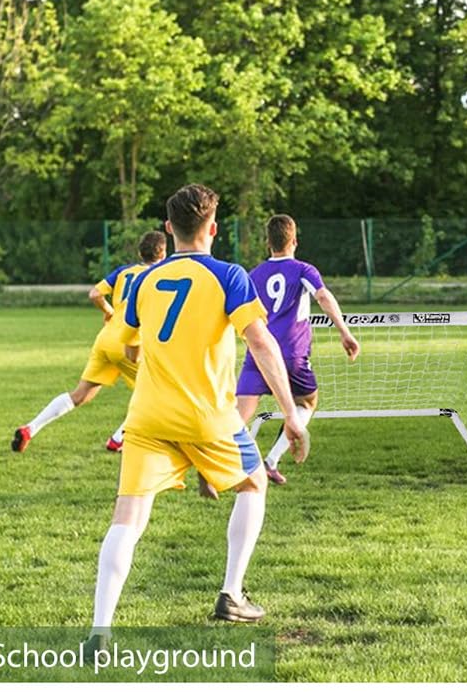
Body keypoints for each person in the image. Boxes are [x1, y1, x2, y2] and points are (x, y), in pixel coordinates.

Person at [89, 184, 309, 631]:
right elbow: (261, 342)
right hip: (208, 416)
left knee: (127, 518)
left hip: (147, 417)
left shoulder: (146, 279)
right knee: (254, 484)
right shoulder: (228, 275)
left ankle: (100, 628)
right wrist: (290, 413)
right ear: (213, 228)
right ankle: (231, 593)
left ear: (169, 230)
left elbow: (127, 345)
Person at [11, 230, 167, 455]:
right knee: (157, 393)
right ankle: (117, 439)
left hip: (106, 338)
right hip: (130, 341)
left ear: (140, 252)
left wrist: (109, 311)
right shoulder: (159, 276)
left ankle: (30, 428)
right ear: (162, 252)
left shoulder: (124, 271)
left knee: (80, 395)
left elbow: (95, 294)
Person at [234, 216, 359, 486]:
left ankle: (217, 466)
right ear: (294, 241)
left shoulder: (253, 274)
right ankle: (269, 461)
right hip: (291, 354)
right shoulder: (303, 269)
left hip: (257, 351)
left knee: (238, 417)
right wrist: (344, 332)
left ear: (268, 243)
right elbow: (323, 297)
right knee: (306, 403)